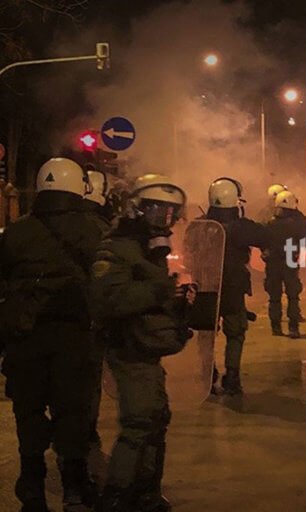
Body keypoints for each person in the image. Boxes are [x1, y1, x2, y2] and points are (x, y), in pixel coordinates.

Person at [0, 157, 102, 511]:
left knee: (28, 411)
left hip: (24, 338)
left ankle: (32, 485)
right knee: (72, 411)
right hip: (74, 338)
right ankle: (74, 485)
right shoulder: (95, 229)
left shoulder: (16, 231)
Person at [90, 174, 193, 511]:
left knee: (156, 419)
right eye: (155, 211)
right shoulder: (117, 246)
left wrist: (177, 301)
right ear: (136, 209)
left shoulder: (148, 249)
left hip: (146, 349)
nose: (163, 221)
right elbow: (109, 300)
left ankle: (146, 492)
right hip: (129, 349)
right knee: (137, 425)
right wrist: (160, 291)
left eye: (169, 214)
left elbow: (146, 296)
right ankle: (117, 498)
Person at [205, 177, 267, 394]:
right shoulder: (240, 227)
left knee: (206, 334)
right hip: (232, 288)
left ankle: (207, 377)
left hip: (205, 288)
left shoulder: (199, 225)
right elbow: (264, 236)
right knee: (236, 332)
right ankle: (232, 377)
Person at [82, 167, 114, 453]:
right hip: (87, 323)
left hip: (37, 327)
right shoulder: (102, 230)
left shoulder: (20, 230)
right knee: (88, 380)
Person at [263, 190, 306, 339]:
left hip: (272, 263)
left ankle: (275, 326)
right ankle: (293, 327)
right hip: (290, 261)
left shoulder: (269, 223)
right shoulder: (297, 224)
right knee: (292, 295)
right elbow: (305, 239)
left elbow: (261, 240)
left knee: (274, 296)